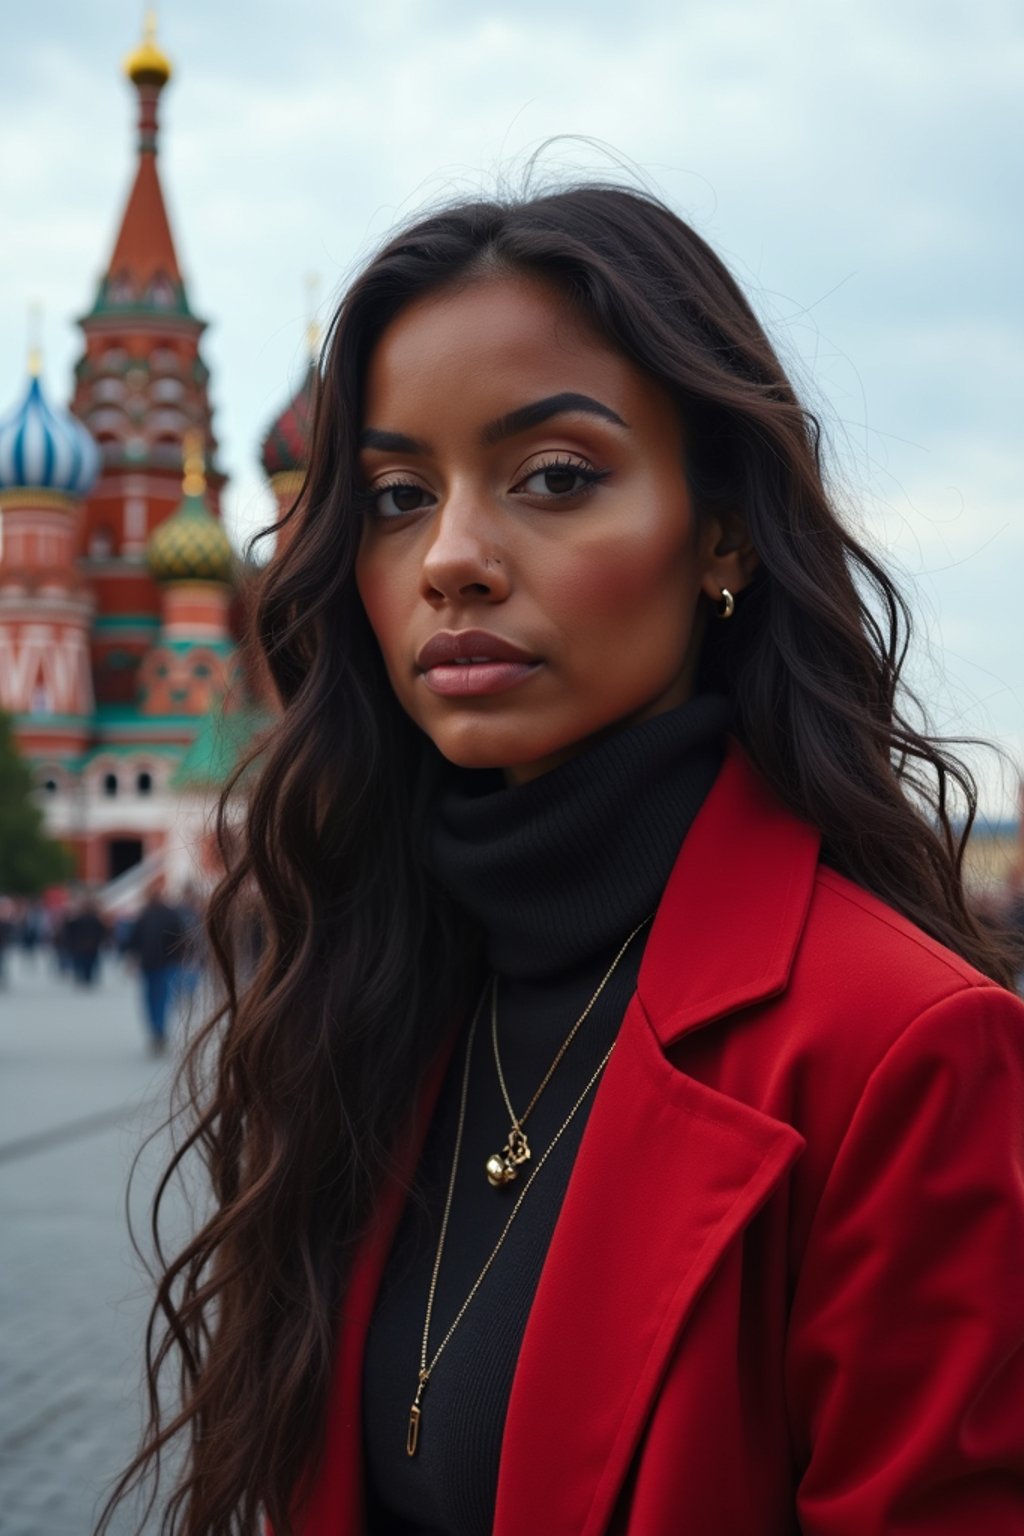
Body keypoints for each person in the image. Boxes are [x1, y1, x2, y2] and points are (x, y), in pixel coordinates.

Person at [98, 187, 1024, 1536]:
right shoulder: (367, 989)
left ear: (720, 531)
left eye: (555, 477)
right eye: (398, 497)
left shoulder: (901, 1051)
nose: (454, 559)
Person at [124, 878, 185, 1054]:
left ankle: (156, 1029)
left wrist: (131, 958)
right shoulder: (170, 914)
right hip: (165, 962)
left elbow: (133, 940)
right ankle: (158, 1029)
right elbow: (180, 938)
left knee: (152, 998)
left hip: (151, 963)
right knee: (160, 997)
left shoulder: (145, 915)